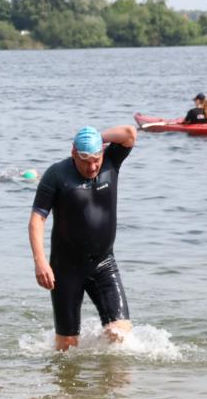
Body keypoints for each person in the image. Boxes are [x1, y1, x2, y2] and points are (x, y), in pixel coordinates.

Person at [28, 125, 138, 352]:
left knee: (120, 335)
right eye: (86, 161)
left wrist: (100, 137)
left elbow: (129, 133)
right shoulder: (56, 175)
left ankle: (110, 385)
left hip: (104, 263)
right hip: (66, 270)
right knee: (66, 348)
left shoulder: (111, 161)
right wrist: (40, 262)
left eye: (96, 159)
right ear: (73, 153)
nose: (93, 166)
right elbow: (37, 220)